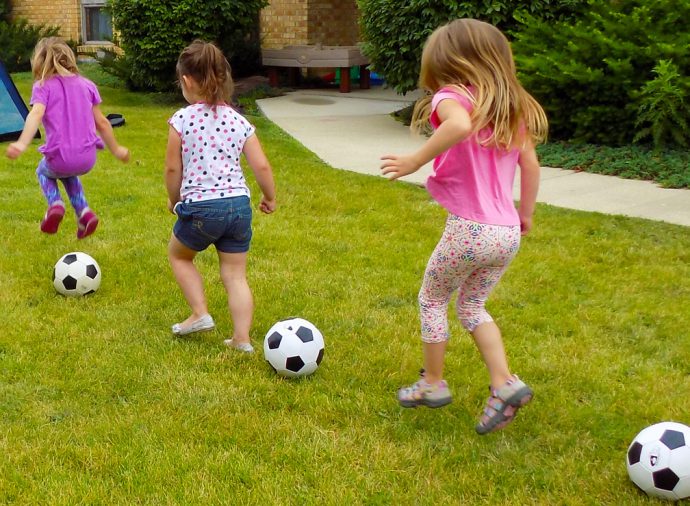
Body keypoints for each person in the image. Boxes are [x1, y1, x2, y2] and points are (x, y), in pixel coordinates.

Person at [381, 19, 548, 434]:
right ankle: (504, 383)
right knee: (472, 306)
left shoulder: (451, 98)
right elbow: (530, 164)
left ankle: (432, 383)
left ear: (444, 62)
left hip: (470, 229)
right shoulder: (511, 108)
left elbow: (458, 126)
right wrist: (525, 214)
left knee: (432, 299)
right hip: (507, 232)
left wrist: (414, 161)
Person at [165, 40, 276, 353]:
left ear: (186, 81)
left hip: (201, 208)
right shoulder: (239, 121)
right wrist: (269, 196)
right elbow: (261, 165)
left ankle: (200, 313)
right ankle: (242, 338)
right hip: (239, 208)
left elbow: (173, 169)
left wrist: (174, 199)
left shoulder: (181, 120)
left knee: (179, 255)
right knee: (235, 275)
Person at [5, 37, 130, 238]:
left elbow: (36, 114)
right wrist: (116, 149)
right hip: (87, 158)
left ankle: (55, 204)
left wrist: (21, 143)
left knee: (43, 172)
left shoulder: (43, 86)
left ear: (39, 62)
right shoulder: (87, 85)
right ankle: (84, 213)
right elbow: (102, 122)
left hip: (60, 157)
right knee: (68, 173)